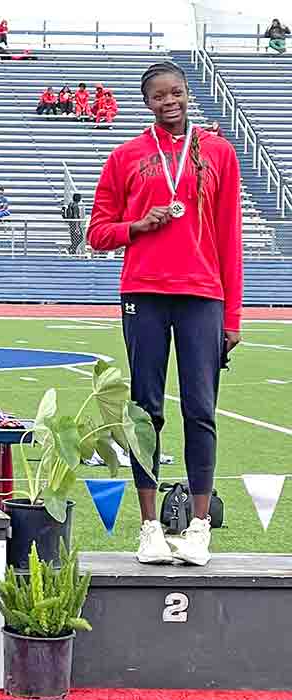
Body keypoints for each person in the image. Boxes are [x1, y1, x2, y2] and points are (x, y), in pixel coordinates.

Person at [87, 62, 243, 567]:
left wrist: (232, 317)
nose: (169, 101)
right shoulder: (126, 156)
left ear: (187, 94)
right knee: (145, 411)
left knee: (200, 410)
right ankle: (150, 526)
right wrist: (136, 225)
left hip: (203, 295)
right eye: (158, 95)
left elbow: (229, 237)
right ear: (146, 101)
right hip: (144, 293)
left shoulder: (217, 151)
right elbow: (98, 232)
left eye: (176, 92)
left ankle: (199, 528)